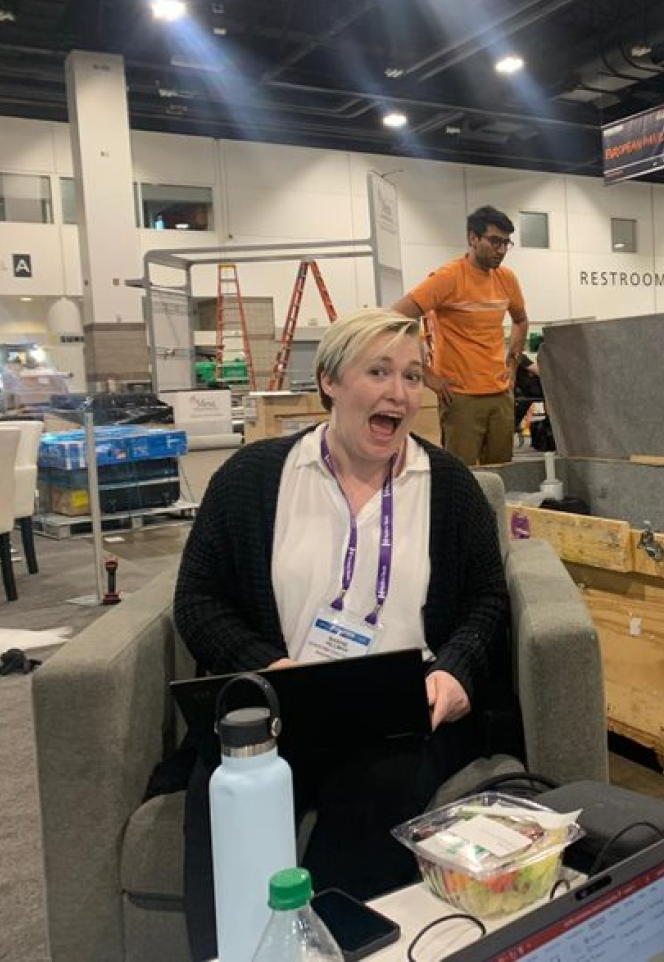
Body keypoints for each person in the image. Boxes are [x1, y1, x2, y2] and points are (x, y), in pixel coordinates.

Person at [171, 309, 513, 959]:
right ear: (329, 380)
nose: (399, 392)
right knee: (220, 790)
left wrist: (458, 670)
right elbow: (197, 600)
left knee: (382, 786)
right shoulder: (250, 480)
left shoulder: (449, 487)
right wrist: (269, 664)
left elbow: (486, 599)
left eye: (412, 376)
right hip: (273, 710)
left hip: (400, 715)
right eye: (378, 371)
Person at [393, 205, 529, 466]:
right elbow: (394, 318)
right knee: (463, 477)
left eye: (506, 243)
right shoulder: (448, 278)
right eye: (494, 241)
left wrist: (512, 364)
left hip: (500, 394)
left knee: (502, 476)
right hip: (461, 397)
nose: (501, 250)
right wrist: (424, 373)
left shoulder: (507, 279)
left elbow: (521, 321)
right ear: (472, 238)